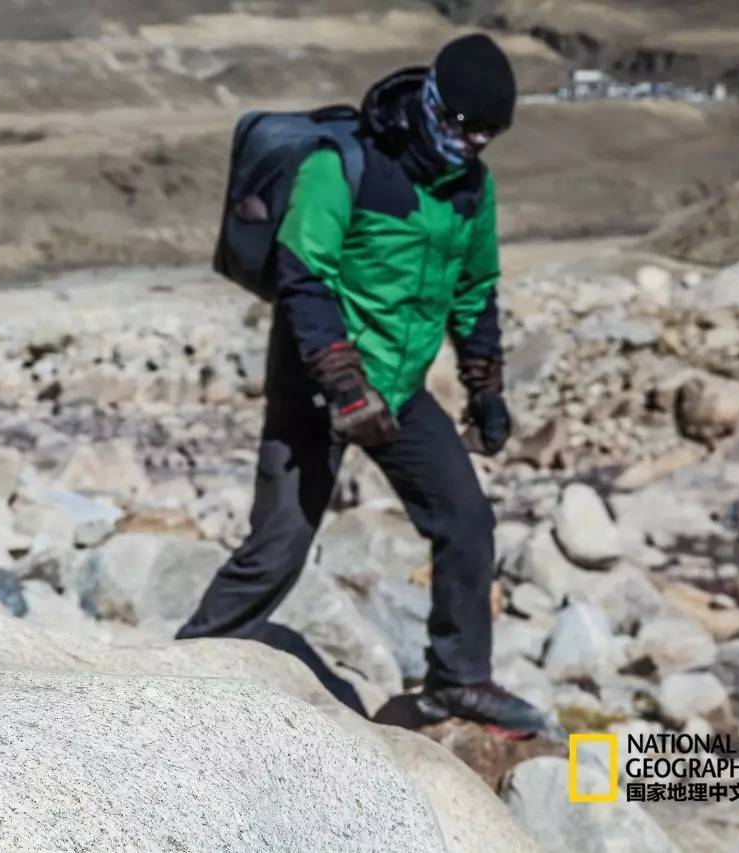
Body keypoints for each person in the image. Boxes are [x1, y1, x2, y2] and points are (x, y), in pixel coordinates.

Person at [177, 34, 546, 734]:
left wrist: (485, 387)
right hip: (319, 382)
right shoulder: (345, 163)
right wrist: (343, 381)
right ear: (435, 102)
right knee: (279, 546)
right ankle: (184, 669)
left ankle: (458, 680)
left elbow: (475, 289)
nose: (472, 146)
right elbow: (302, 273)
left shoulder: (472, 186)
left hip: (400, 386)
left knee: (466, 520)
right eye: (465, 128)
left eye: (487, 136)